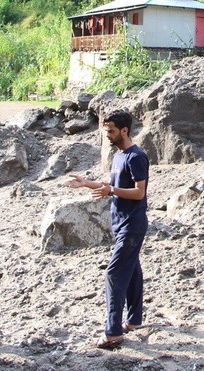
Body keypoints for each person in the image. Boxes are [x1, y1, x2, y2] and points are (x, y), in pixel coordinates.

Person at [66, 110, 149, 349]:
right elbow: (111, 185)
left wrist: (111, 191)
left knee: (113, 274)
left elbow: (139, 192)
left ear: (124, 130)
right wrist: (86, 184)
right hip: (121, 223)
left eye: (111, 131)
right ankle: (133, 320)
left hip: (132, 224)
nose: (108, 135)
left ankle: (113, 333)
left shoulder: (136, 157)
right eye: (106, 131)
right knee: (132, 269)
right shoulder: (119, 155)